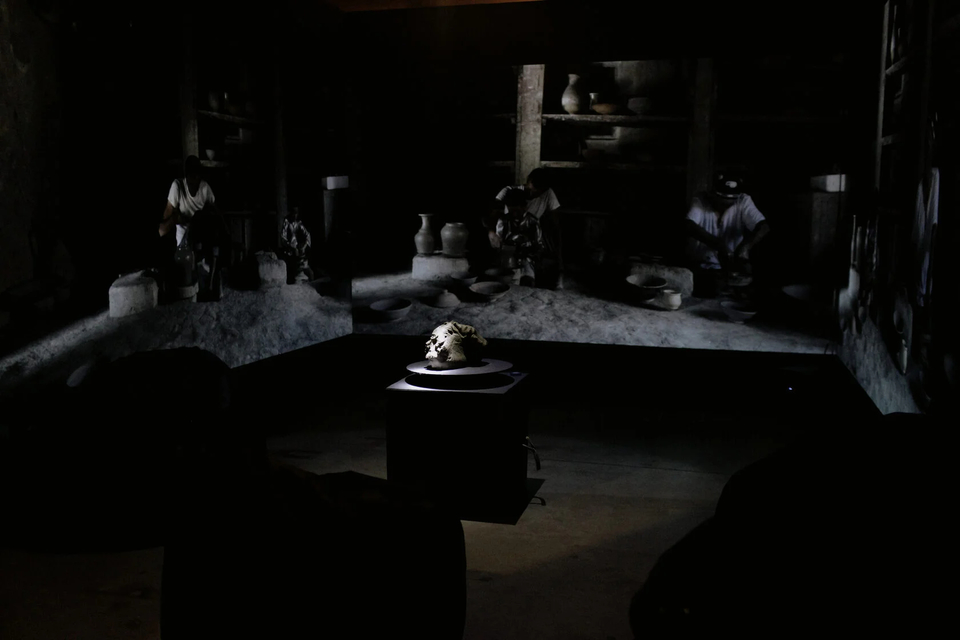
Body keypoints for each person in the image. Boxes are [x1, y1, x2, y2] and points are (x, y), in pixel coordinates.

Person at [683, 173, 771, 297]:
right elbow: (689, 225)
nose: (725, 207)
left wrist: (745, 247)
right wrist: (719, 244)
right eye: (721, 202)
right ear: (712, 194)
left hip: (730, 267)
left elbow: (763, 227)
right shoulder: (701, 199)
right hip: (701, 266)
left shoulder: (743, 200)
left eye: (730, 204)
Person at [156, 156, 228, 299]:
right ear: (186, 176)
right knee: (185, 273)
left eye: (197, 177)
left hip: (201, 234)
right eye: (191, 177)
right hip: (183, 240)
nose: (194, 181)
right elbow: (166, 217)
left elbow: (216, 213)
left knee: (205, 222)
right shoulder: (178, 186)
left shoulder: (204, 188)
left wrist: (225, 232)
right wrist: (174, 218)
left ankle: (210, 284)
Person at [483, 168, 562, 287]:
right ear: (528, 181)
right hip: (507, 251)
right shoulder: (508, 193)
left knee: (528, 274)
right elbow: (490, 216)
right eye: (533, 189)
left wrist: (556, 257)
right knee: (502, 275)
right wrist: (491, 233)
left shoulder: (534, 220)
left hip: (527, 252)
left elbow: (554, 228)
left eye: (539, 192)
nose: (534, 194)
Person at [278, 207, 314, 283]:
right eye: (293, 213)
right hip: (289, 249)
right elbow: (283, 237)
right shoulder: (287, 221)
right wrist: (291, 247)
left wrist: (304, 245)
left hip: (298, 247)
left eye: (296, 213)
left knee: (308, 270)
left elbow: (307, 234)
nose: (295, 215)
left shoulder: (299, 222)